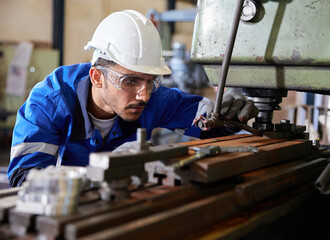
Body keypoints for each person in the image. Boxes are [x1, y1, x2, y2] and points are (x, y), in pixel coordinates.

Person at [7, 10, 258, 187]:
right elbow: (25, 178)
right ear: (96, 77)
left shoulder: (153, 98)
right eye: (130, 81)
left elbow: (210, 120)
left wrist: (230, 110)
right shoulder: (50, 102)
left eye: (150, 80)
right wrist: (102, 171)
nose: (144, 94)